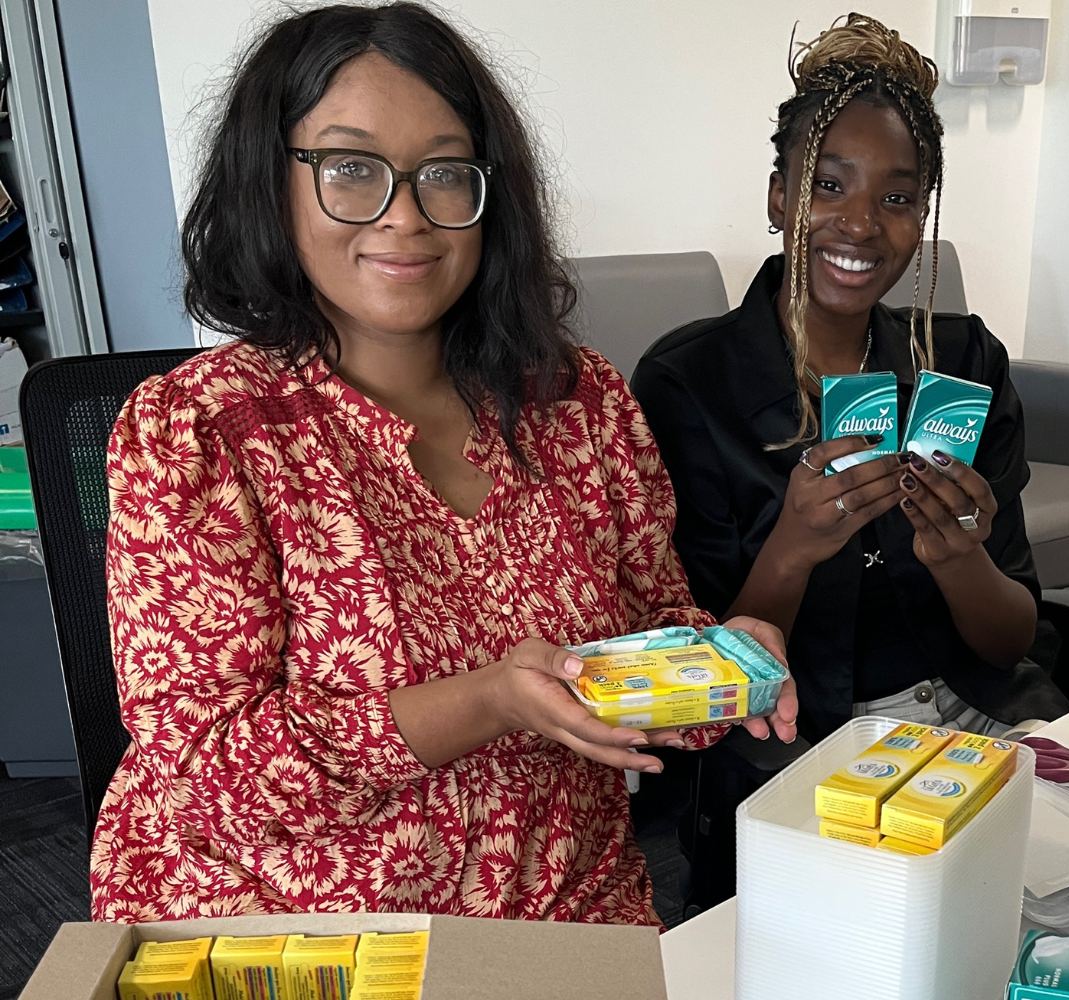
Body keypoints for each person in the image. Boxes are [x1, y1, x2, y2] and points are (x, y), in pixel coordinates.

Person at [93, 2, 794, 925]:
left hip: (565, 904)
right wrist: (490, 700)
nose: (406, 216)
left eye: (444, 174)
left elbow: (649, 630)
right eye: (350, 169)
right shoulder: (200, 433)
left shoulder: (575, 400)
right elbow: (209, 783)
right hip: (298, 929)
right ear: (271, 183)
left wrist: (721, 660)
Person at [633, 13, 1069, 747]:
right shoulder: (688, 385)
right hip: (799, 745)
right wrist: (794, 545)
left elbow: (1007, 641)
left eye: (896, 199)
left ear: (921, 213)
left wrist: (959, 557)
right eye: (829, 185)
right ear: (780, 197)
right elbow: (698, 683)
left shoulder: (962, 363)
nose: (861, 224)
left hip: (983, 716)